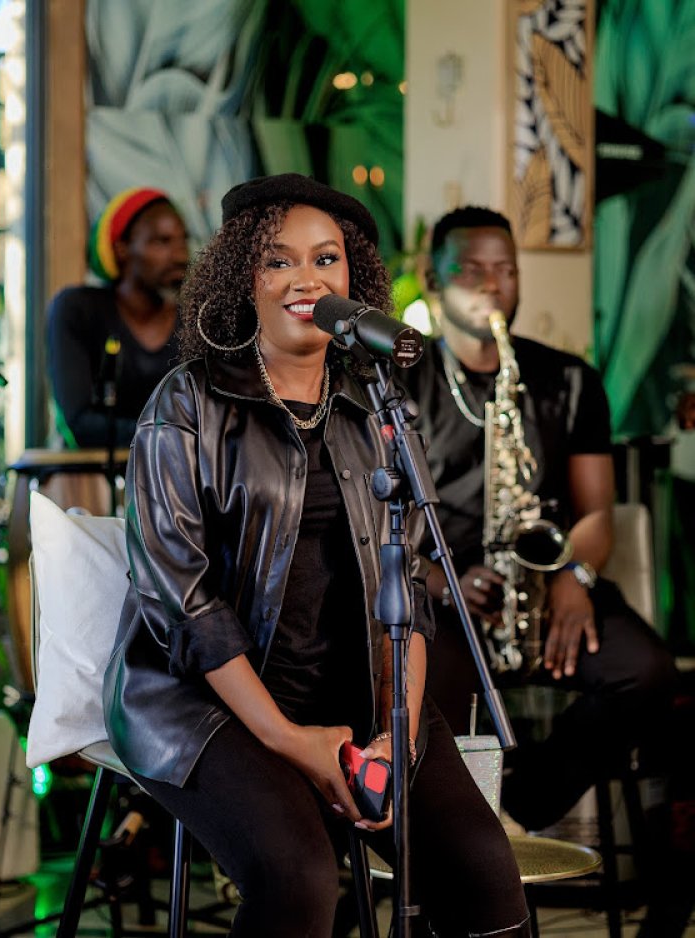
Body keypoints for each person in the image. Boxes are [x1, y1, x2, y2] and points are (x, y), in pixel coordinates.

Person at [102, 175, 531, 938]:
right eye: (279, 261)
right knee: (299, 881)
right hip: (210, 707)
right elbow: (186, 607)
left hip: (360, 697)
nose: (307, 279)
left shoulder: (380, 406)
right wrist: (291, 741)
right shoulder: (185, 404)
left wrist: (396, 735)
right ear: (244, 281)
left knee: (484, 873)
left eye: (326, 259)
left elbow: (413, 593)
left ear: (352, 281)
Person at [399, 205, 679, 835]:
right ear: (433, 278)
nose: (492, 285)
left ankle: (519, 814)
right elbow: (373, 521)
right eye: (471, 270)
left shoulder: (570, 380)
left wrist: (573, 576)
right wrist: (442, 583)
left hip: (546, 586)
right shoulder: (399, 383)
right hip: (443, 599)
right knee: (420, 700)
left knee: (647, 673)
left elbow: (596, 512)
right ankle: (456, 845)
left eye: (506, 269)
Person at [46, 187, 189, 449]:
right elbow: (79, 424)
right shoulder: (79, 309)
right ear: (122, 249)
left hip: (178, 472)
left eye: (183, 241)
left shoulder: (194, 320)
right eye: (162, 241)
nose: (181, 255)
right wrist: (173, 437)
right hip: (93, 474)